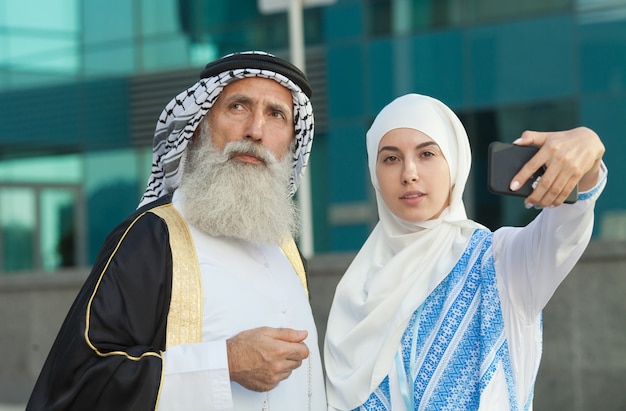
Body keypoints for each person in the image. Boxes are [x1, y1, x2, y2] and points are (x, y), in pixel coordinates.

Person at [27, 51, 327, 411]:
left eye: (276, 115)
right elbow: (79, 384)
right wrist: (225, 362)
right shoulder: (150, 237)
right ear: (199, 124)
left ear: (293, 141)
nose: (255, 131)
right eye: (238, 107)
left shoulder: (287, 253)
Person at [324, 93, 606, 411]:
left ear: (455, 162)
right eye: (391, 158)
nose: (409, 173)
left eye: (427, 153)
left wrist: (588, 153)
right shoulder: (357, 289)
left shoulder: (499, 262)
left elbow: (564, 231)